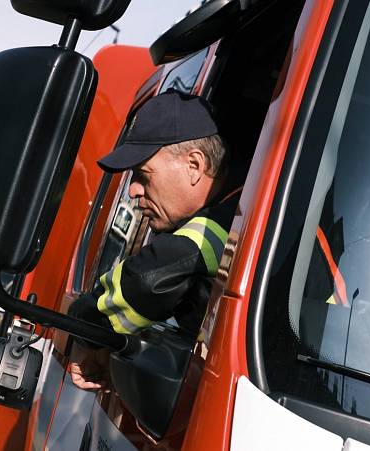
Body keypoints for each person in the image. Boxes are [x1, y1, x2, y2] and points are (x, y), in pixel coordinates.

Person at [67, 91, 242, 390]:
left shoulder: (233, 218)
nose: (133, 190)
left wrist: (82, 327)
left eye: (143, 175)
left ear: (195, 166)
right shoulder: (242, 199)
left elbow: (146, 280)